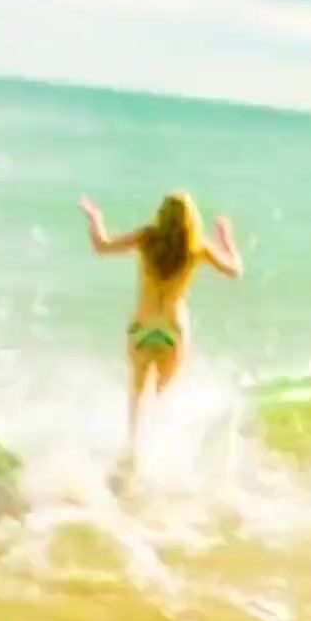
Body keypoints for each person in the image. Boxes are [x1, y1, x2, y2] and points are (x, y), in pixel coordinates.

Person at [78, 191, 243, 485]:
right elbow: (235, 271)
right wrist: (225, 237)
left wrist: (95, 219)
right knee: (160, 397)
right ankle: (156, 460)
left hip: (142, 327)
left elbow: (102, 246)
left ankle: (133, 453)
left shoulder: (147, 238)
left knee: (137, 396)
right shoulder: (197, 248)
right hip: (173, 330)